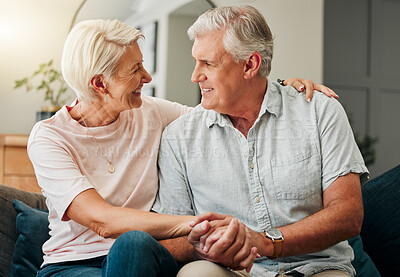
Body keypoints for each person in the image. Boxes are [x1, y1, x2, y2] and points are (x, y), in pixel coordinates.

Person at [27, 18, 329, 276]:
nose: (147, 77)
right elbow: (104, 221)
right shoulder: (50, 138)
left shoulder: (150, 112)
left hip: (144, 255)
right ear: (100, 84)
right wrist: (196, 224)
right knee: (128, 241)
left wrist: (276, 88)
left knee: (133, 244)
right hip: (76, 264)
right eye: (135, 69)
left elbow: (219, 108)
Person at [153, 5, 369, 277]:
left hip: (316, 268)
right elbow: (168, 239)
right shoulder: (179, 136)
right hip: (231, 270)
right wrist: (204, 247)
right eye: (196, 62)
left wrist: (265, 242)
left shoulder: (320, 112)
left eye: (208, 63)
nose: (195, 76)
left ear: (250, 65)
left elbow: (348, 215)